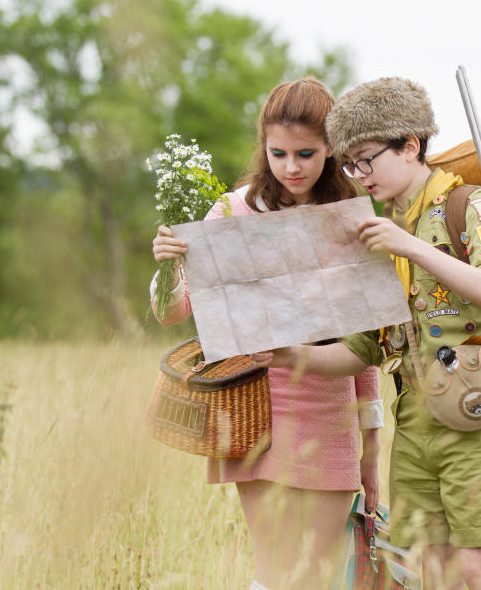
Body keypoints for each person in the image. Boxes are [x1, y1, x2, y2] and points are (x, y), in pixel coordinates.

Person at [251, 77, 481, 590]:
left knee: (479, 568)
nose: (358, 174)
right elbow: (361, 351)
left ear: (411, 146)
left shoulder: (467, 204)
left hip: (478, 411)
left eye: (366, 159)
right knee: (433, 571)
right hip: (416, 423)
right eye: (349, 162)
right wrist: (288, 355)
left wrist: (410, 247)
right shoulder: (379, 230)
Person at [149, 78, 383, 590]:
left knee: (318, 574)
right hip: (252, 408)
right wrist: (166, 266)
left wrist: (371, 451)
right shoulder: (232, 211)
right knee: (276, 570)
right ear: (263, 147)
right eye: (278, 153)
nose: (291, 167)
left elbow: (366, 353)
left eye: (306, 152)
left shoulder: (352, 223)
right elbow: (174, 312)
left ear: (331, 150)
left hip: (328, 410)